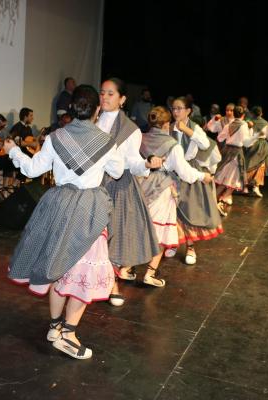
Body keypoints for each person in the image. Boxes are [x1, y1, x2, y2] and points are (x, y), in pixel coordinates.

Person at [4, 84, 124, 360]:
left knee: (56, 267)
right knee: (83, 276)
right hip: (88, 211)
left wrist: (13, 150)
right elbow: (117, 171)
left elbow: (32, 169)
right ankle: (67, 335)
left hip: (58, 207)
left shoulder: (56, 137)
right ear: (96, 110)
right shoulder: (105, 141)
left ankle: (55, 326)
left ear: (72, 109)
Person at [97, 78, 162, 304]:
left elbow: (133, 161)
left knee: (112, 235)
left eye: (110, 94)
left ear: (122, 99)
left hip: (117, 186)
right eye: (102, 92)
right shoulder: (91, 121)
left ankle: (112, 283)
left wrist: (146, 163)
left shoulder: (130, 129)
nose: (104, 97)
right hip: (89, 183)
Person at [139, 106, 212, 281]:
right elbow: (185, 172)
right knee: (160, 232)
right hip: (162, 188)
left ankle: (126, 269)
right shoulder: (172, 146)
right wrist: (203, 176)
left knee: (142, 227)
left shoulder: (141, 139)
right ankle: (149, 273)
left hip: (141, 185)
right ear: (166, 125)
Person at [168, 97, 223, 264]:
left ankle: (190, 247)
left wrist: (186, 130)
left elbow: (205, 144)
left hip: (189, 171)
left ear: (188, 111)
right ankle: (173, 243)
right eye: (174, 109)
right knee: (171, 210)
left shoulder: (194, 127)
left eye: (179, 108)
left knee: (188, 210)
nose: (175, 112)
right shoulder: (169, 127)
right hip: (171, 172)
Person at [213, 106, 253, 211]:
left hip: (226, 151)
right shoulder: (243, 125)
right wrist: (253, 132)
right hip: (236, 153)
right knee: (234, 178)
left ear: (234, 114)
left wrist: (229, 138)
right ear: (243, 115)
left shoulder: (228, 125)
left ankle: (214, 199)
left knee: (224, 177)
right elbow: (247, 142)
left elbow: (219, 138)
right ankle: (223, 198)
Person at [244, 106, 268, 198]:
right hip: (261, 145)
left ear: (252, 113)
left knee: (249, 164)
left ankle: (246, 186)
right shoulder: (265, 123)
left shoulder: (249, 122)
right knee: (259, 166)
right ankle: (254, 187)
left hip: (251, 144)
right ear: (261, 113)